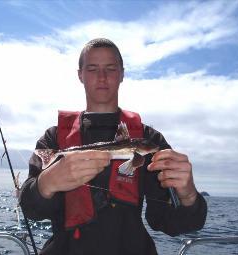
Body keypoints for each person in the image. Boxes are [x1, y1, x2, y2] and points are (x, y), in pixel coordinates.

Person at [19, 38, 207, 255]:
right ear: (80, 75)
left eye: (110, 68)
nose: (102, 77)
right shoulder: (54, 138)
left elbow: (170, 223)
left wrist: (189, 196)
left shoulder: (150, 140)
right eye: (92, 69)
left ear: (122, 74)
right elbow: (29, 209)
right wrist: (46, 183)